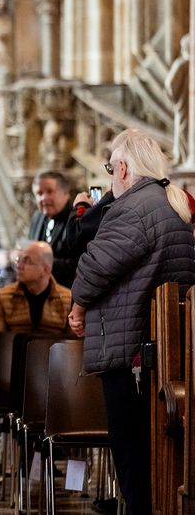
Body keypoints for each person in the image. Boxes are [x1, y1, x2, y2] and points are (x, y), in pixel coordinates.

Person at [69, 129, 195, 515]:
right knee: (159, 457)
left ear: (123, 168)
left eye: (111, 169)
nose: (111, 179)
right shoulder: (174, 203)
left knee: (133, 456)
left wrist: (77, 308)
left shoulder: (132, 208)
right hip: (164, 350)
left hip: (130, 351)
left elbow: (94, 268)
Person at [0, 241, 71, 334]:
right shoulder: (4, 297)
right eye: (18, 260)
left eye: (27, 261)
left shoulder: (67, 299)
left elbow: (74, 340)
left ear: (46, 269)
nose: (19, 266)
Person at [27, 171, 76, 287]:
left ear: (65, 193)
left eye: (49, 192)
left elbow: (80, 263)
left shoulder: (76, 220)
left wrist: (41, 265)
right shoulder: (37, 217)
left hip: (66, 289)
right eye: (39, 193)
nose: (44, 198)